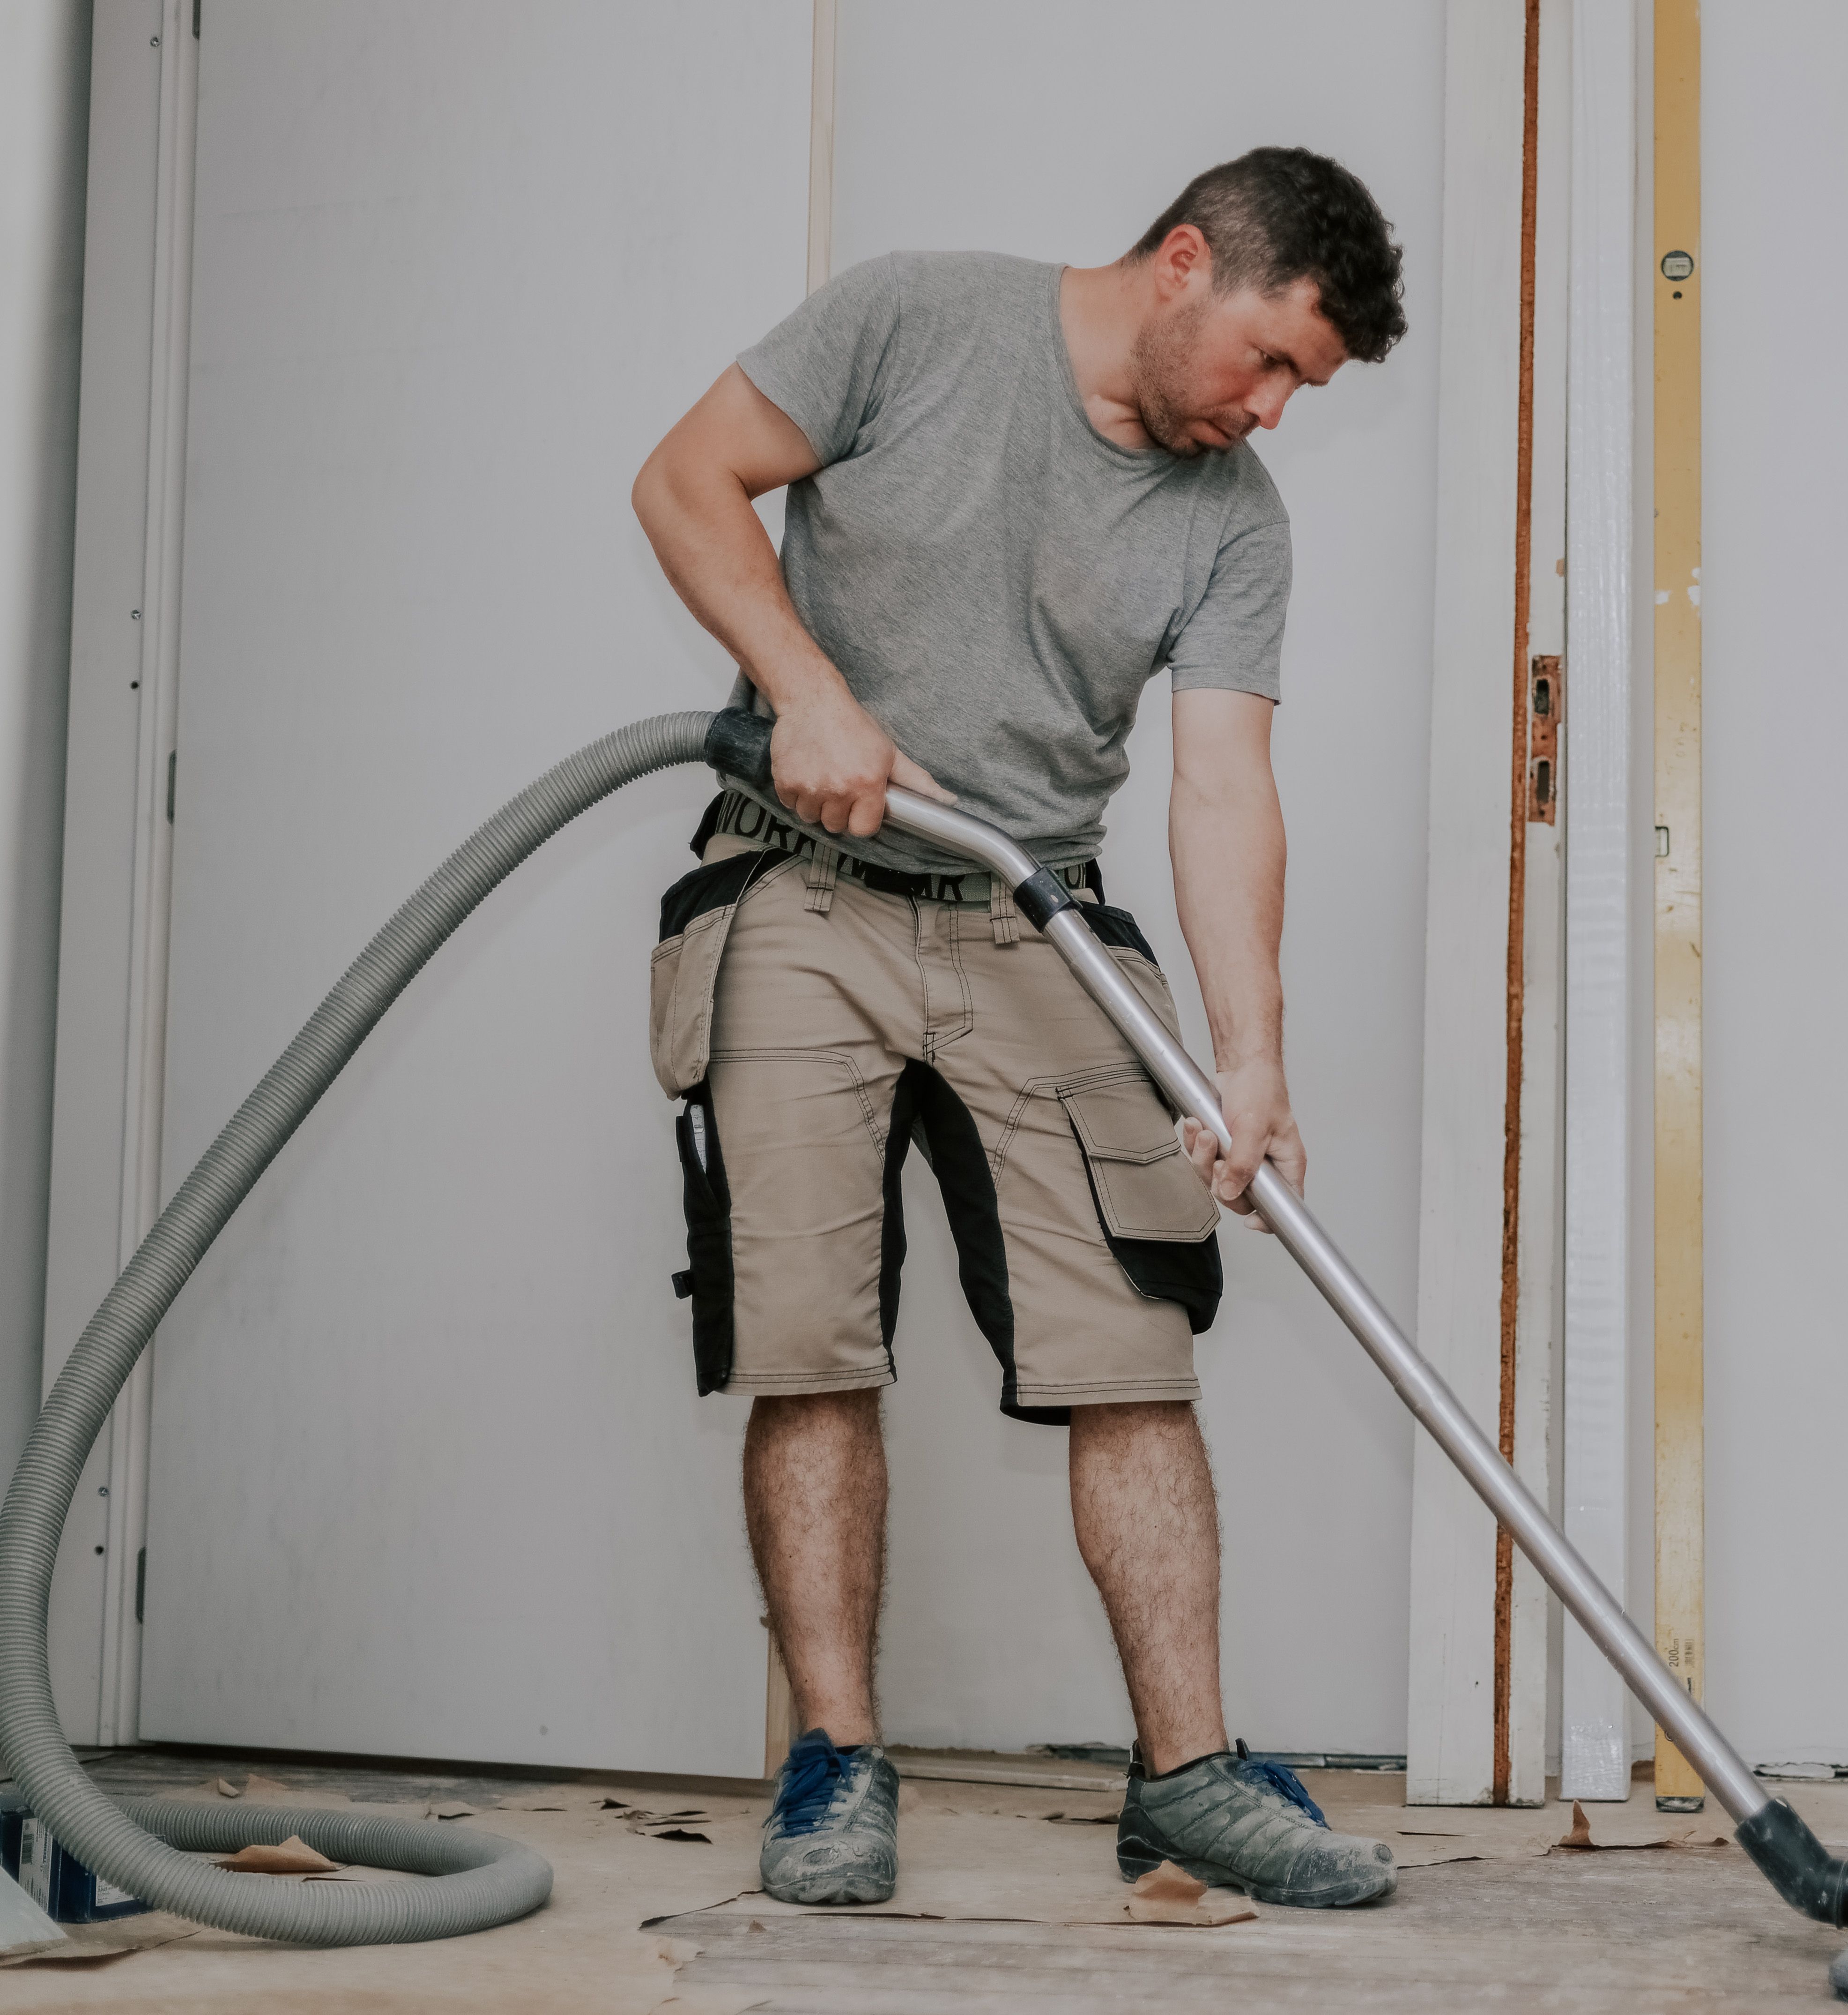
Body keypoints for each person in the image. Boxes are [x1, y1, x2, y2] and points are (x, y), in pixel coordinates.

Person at [629, 147, 1405, 1911]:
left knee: (1131, 1346)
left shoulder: (1231, 520)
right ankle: (837, 1766)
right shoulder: (915, 318)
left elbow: (1221, 786)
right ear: (1183, 264)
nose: (1274, 412)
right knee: (811, 1337)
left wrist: (1251, 1054)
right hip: (799, 888)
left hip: (1030, 906)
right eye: (1271, 361)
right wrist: (812, 694)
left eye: (1305, 387)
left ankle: (1189, 1778)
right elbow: (686, 482)